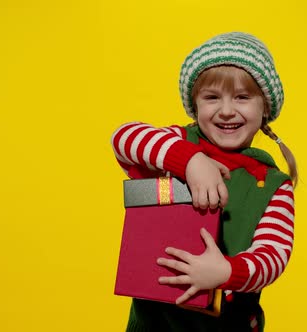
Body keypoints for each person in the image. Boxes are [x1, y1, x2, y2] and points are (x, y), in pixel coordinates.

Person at [111, 32, 297, 332]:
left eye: (242, 97)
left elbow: (273, 256)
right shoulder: (176, 142)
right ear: (195, 106)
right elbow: (123, 138)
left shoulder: (272, 184)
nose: (226, 110)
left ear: (264, 109)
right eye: (212, 97)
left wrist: (226, 271)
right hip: (154, 323)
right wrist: (189, 160)